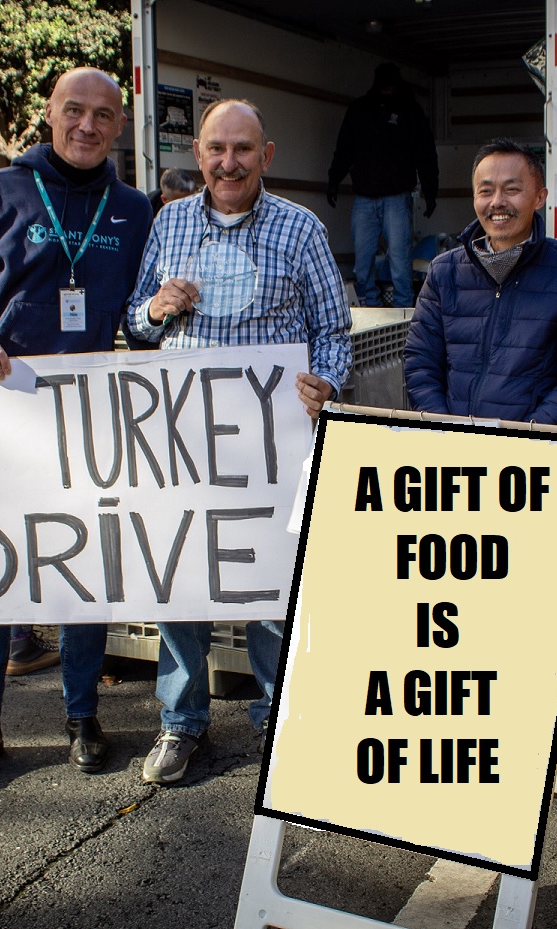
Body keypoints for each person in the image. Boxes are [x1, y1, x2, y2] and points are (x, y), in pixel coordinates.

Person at [0, 67, 153, 790]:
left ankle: (82, 714)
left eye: (103, 115)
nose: (87, 126)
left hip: (89, 424)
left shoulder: (133, 207)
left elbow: (144, 312)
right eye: (73, 111)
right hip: (1, 416)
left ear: (119, 125)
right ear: (49, 114)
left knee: (82, 577)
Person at [126, 97, 352, 784]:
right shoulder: (167, 222)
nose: (228, 162)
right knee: (180, 585)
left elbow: (332, 332)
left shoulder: (301, 228)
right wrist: (155, 308)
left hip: (269, 445)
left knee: (270, 585)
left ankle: (277, 716)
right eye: (216, 148)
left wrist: (328, 385)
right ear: (197, 153)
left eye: (242, 149)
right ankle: (180, 720)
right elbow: (135, 324)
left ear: (266, 156)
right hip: (185, 442)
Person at [403, 138, 557, 426]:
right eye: (486, 191)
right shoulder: (444, 272)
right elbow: (420, 363)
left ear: (539, 197)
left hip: (537, 452)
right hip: (456, 448)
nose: (497, 202)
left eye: (512, 189)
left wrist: (525, 438)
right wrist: (444, 431)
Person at [326, 63, 438, 308]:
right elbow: (345, 149)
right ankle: (370, 305)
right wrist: (334, 179)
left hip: (397, 197)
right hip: (365, 197)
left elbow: (426, 154)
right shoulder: (360, 110)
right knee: (362, 260)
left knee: (400, 260)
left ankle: (404, 311)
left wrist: (431, 191)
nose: (387, 90)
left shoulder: (410, 111)